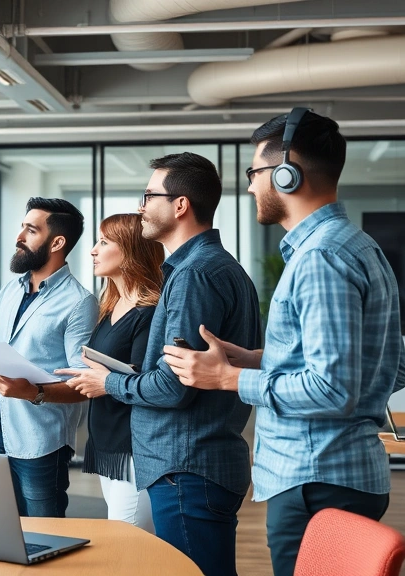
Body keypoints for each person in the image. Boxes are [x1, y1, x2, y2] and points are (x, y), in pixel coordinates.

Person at [163, 109, 405, 576]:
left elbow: (334, 390)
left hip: (315, 481)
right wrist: (260, 359)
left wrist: (229, 378)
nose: (252, 186)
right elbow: (388, 368)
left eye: (255, 173)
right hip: (344, 477)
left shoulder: (320, 259)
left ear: (286, 174)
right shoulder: (358, 246)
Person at [58, 153, 262, 576]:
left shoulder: (193, 275)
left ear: (180, 205)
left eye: (149, 195)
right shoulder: (212, 268)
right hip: (195, 462)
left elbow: (173, 386)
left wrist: (110, 382)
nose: (141, 206)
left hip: (186, 463)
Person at [0, 197, 98, 518]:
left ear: (57, 242)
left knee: (46, 532)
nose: (18, 238)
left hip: (39, 442)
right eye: (22, 227)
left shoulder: (80, 303)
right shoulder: (10, 290)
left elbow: (84, 384)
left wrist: (34, 392)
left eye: (30, 230)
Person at [81, 213, 163, 533]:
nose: (93, 250)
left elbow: (150, 381)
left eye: (103, 242)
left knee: (124, 544)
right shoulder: (110, 306)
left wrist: (103, 381)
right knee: (128, 547)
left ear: (130, 250)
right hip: (107, 441)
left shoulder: (151, 311)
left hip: (135, 448)